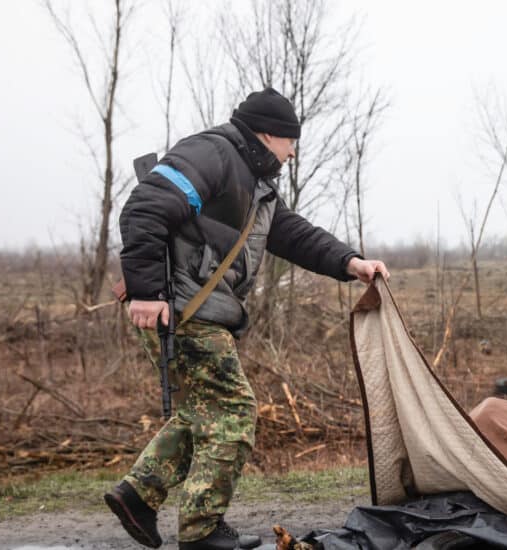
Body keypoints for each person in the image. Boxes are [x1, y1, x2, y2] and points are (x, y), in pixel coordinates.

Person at [104, 87, 389, 550]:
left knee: (204, 413)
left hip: (197, 309)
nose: (294, 151)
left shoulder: (255, 183)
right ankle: (201, 531)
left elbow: (292, 234)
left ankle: (138, 494)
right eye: (290, 141)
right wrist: (147, 292)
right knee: (234, 411)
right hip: (181, 308)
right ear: (267, 134)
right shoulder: (214, 152)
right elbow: (145, 208)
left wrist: (349, 262)